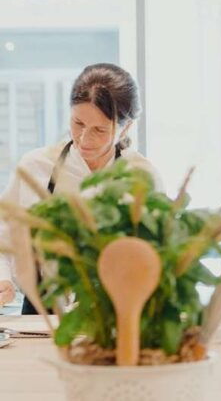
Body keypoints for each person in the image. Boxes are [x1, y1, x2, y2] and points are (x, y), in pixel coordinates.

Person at [0, 63, 163, 313]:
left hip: (119, 316)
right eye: (78, 123)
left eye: (99, 130)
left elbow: (161, 254)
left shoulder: (142, 175)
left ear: (125, 128)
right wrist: (4, 278)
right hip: (42, 317)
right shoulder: (35, 166)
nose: (85, 139)